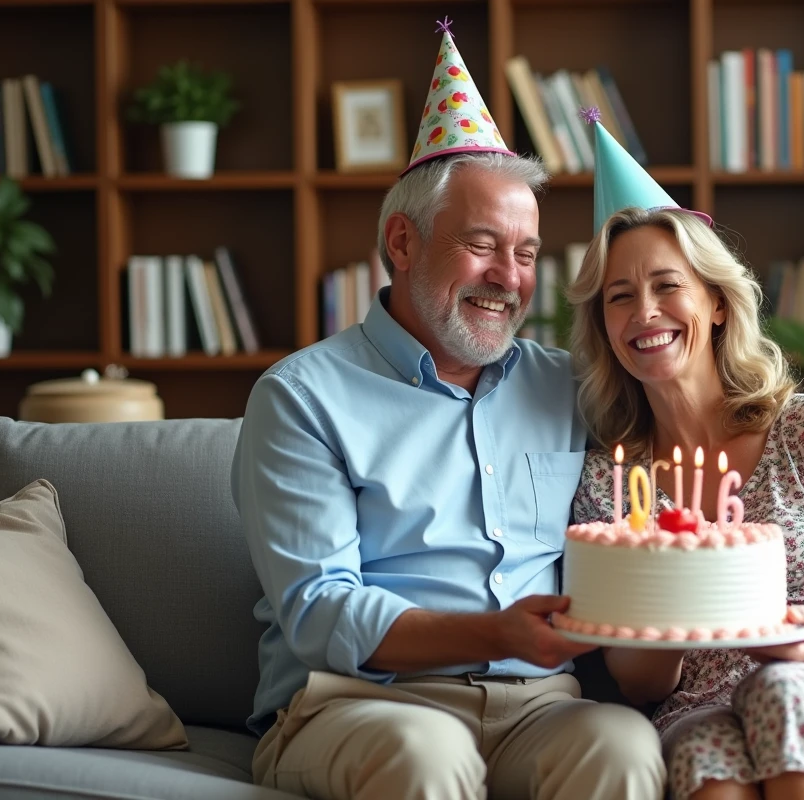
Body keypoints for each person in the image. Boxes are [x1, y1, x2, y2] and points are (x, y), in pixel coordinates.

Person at [230, 28, 665, 800]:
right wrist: (495, 633)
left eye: (527, 254)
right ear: (402, 241)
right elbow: (319, 612)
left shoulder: (569, 385)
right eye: (481, 245)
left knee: (623, 744)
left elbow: (678, 418)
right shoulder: (300, 398)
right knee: (426, 753)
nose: (508, 277)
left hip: (541, 706)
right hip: (360, 703)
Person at [565, 113, 804, 800]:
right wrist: (669, 592)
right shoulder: (612, 483)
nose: (644, 313)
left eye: (667, 286)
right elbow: (640, 683)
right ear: (603, 325)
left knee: (782, 693)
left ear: (716, 303)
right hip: (703, 707)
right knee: (711, 772)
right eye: (619, 297)